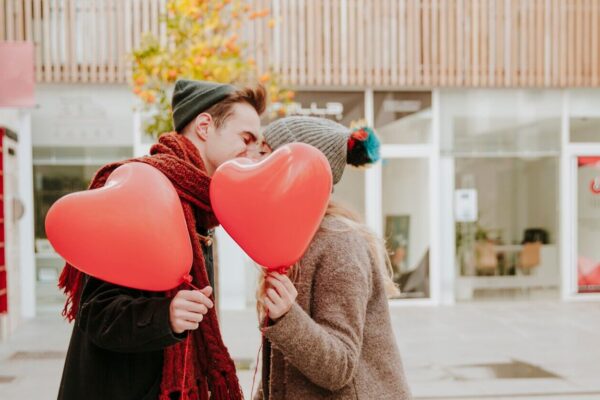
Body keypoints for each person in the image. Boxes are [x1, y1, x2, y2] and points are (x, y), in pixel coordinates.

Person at [57, 80, 266, 400]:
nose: (253, 155)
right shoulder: (143, 189)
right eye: (246, 139)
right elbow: (95, 311)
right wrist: (164, 315)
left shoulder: (199, 202)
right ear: (205, 126)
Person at [254, 116, 412, 400]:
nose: (253, 163)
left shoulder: (340, 245)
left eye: (265, 153)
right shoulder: (292, 238)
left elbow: (340, 367)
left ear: (298, 169)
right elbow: (281, 369)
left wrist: (287, 317)